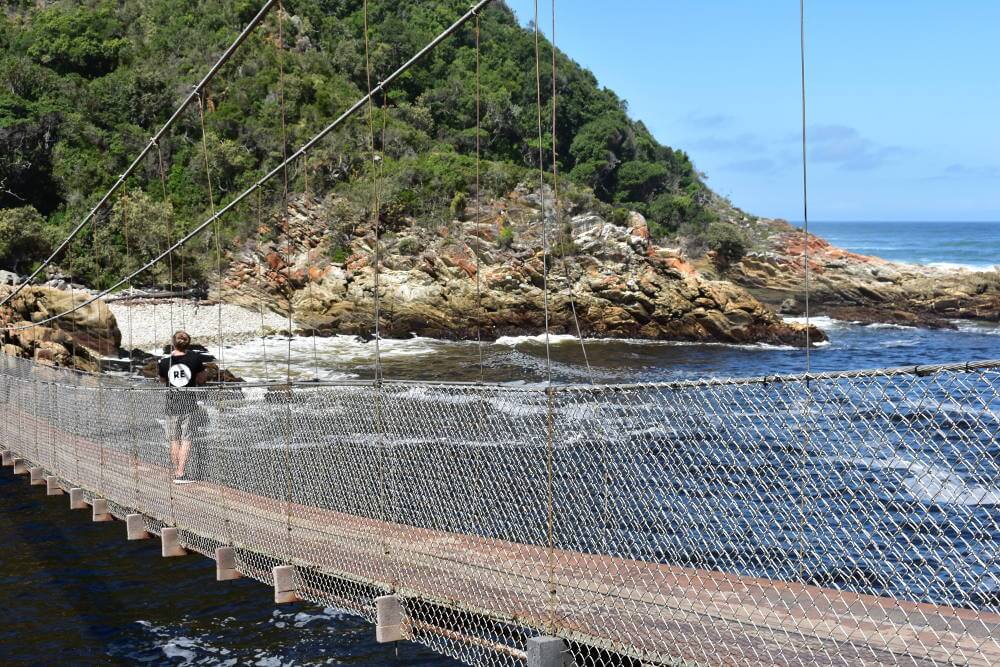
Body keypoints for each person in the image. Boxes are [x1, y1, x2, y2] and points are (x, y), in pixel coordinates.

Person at [158, 330, 207, 484]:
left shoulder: (165, 362)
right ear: (188, 342)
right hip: (189, 404)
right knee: (187, 439)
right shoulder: (195, 358)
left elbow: (162, 381)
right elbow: (202, 379)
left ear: (173, 343)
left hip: (172, 404)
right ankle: (180, 473)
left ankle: (177, 472)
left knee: (174, 439)